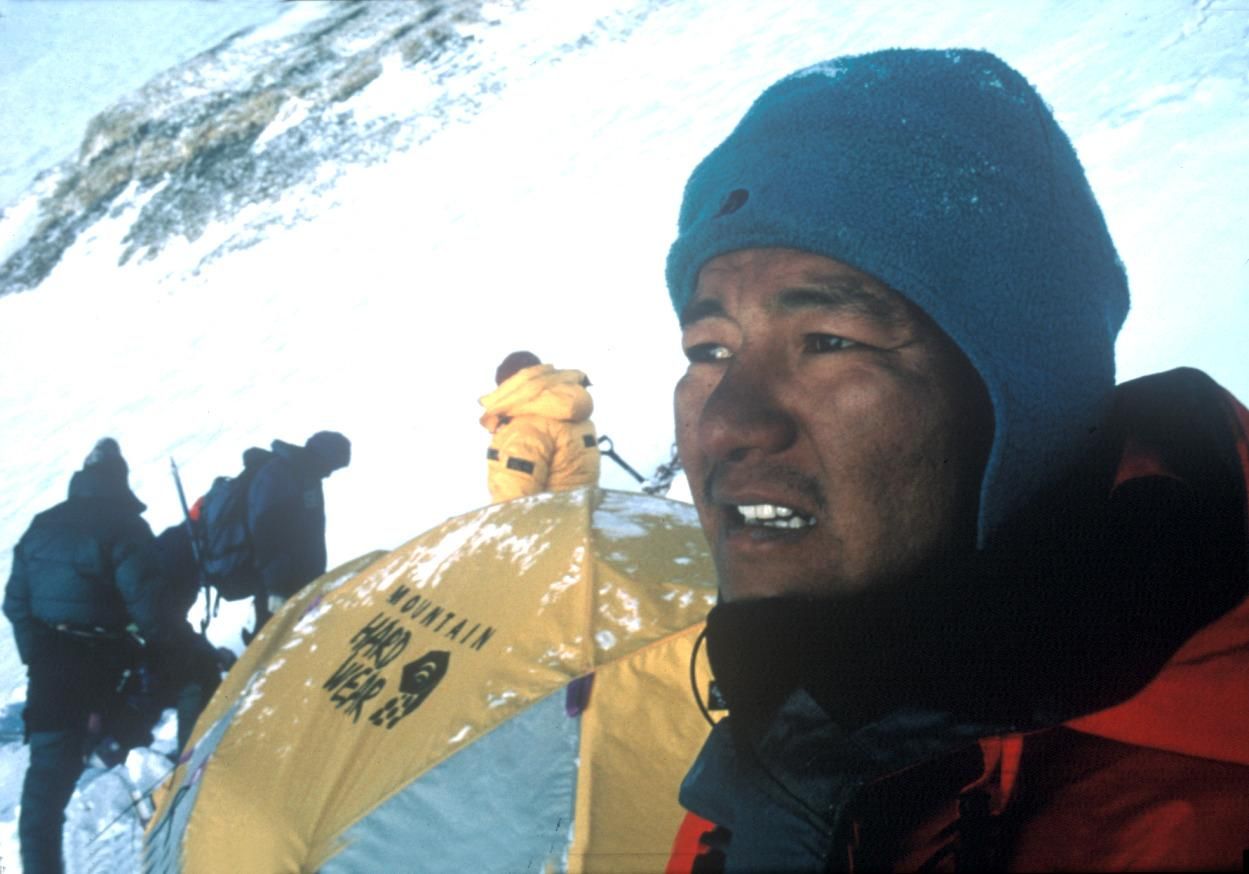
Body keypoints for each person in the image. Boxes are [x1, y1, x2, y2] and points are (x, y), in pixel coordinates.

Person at [662, 49, 1249, 871]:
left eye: (827, 340)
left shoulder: (1202, 811)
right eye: (709, 349)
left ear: (1024, 399)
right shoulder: (772, 772)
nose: (727, 423)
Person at [3, 438, 169, 874]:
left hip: (53, 668)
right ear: (120, 478)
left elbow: (15, 604)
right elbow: (151, 612)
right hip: (106, 665)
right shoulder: (126, 526)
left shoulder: (42, 524)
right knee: (143, 715)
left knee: (43, 797)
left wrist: (39, 657)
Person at [244, 430, 351, 630]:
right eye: (332, 466)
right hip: (280, 582)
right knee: (272, 632)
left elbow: (309, 533)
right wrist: (275, 587)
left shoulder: (307, 475)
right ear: (321, 457)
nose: (329, 473)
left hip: (302, 577)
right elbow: (265, 533)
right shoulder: (279, 475)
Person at [479, 351, 601, 503]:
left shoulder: (526, 428)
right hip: (579, 510)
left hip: (545, 516)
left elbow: (515, 500)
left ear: (509, 387)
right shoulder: (567, 410)